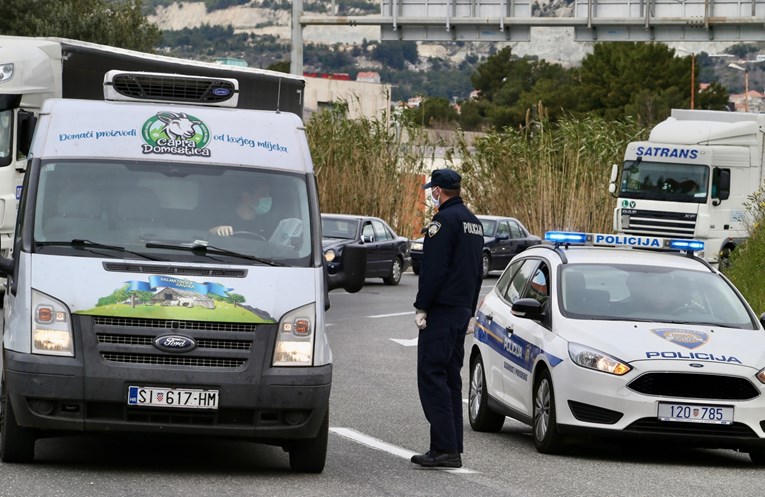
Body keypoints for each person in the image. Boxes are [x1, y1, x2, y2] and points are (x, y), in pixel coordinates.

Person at [411, 168, 484, 469]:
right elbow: (477, 272)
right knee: (451, 378)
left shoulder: (443, 221)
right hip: (459, 312)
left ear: (439, 191)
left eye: (433, 190)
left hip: (441, 312)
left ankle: (443, 448)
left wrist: (422, 306)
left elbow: (434, 269)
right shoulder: (474, 223)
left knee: (432, 376)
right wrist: (469, 311)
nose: (431, 194)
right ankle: (452, 446)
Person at [209, 182, 276, 238]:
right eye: (263, 193)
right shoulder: (221, 217)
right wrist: (216, 231)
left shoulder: (266, 224)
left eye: (269, 193)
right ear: (246, 197)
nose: (268, 197)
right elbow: (202, 241)